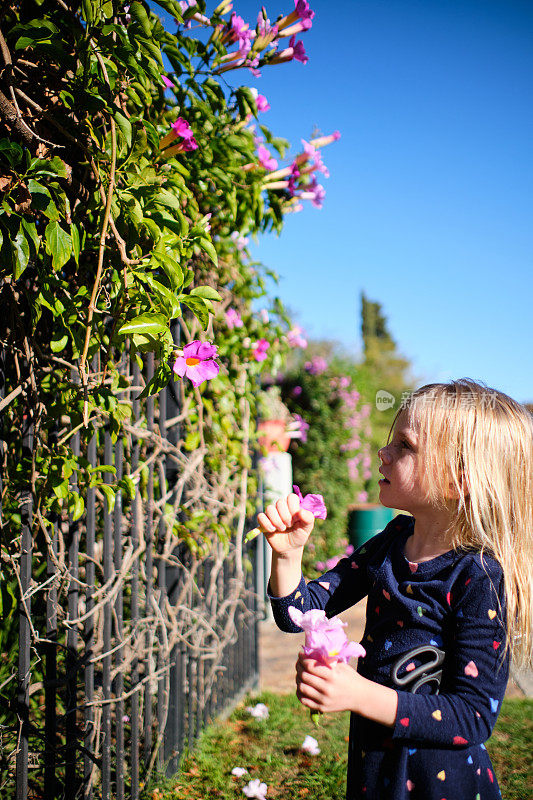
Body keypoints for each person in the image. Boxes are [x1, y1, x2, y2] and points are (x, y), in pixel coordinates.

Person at [257, 379, 533, 800]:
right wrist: (288, 557)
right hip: (375, 770)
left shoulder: (480, 577)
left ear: (460, 479)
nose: (383, 452)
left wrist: (358, 693)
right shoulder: (392, 540)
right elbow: (299, 612)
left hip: (441, 784)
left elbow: (473, 717)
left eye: (405, 445)